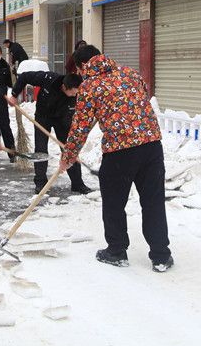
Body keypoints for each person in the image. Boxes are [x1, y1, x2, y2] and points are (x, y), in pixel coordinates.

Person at [57, 44, 173, 273]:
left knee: (113, 203)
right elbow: (142, 99)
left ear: (83, 65)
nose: (79, 74)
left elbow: (80, 126)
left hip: (120, 151)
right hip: (151, 146)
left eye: (78, 70)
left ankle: (117, 251)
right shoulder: (131, 73)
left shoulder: (90, 85)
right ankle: (161, 255)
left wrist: (68, 156)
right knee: (153, 202)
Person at [8, 71, 91, 194]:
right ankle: (40, 183)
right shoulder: (48, 79)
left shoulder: (78, 93)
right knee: (41, 149)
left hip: (63, 119)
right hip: (43, 117)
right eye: (73, 92)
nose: (75, 95)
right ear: (64, 87)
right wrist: (14, 95)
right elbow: (24, 76)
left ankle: (77, 183)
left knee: (69, 149)